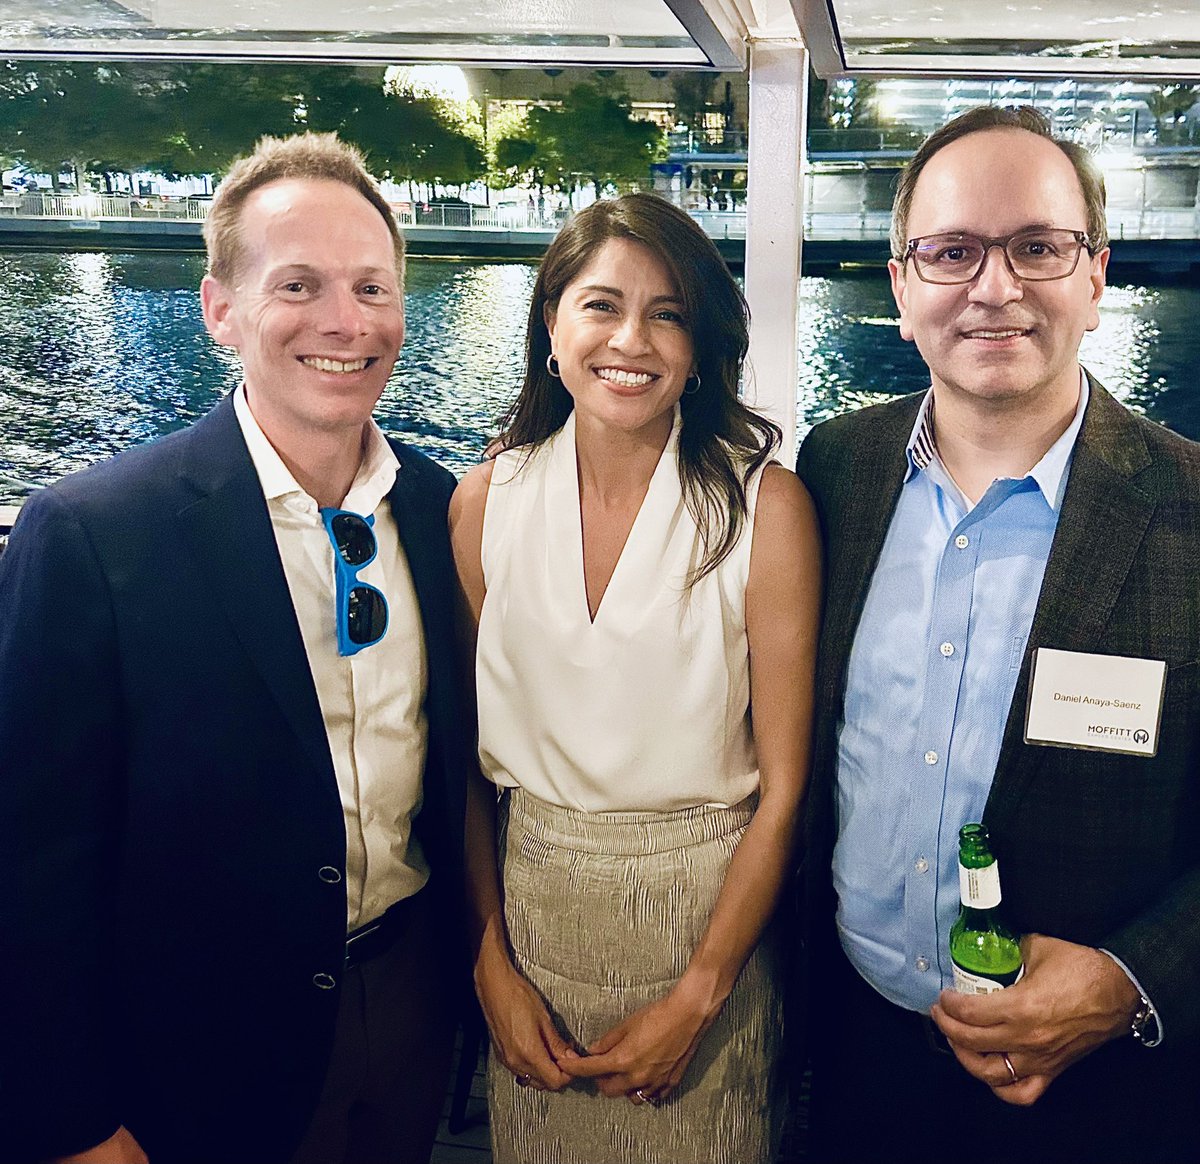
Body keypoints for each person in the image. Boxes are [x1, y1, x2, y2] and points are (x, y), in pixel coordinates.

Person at [0, 133, 465, 1164]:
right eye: (297, 285)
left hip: (411, 1007)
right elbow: (28, 863)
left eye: (372, 288)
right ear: (221, 309)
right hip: (192, 1049)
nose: (345, 323)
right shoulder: (89, 535)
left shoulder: (448, 512)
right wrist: (67, 1118)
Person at [795, 105, 1200, 1163]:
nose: (994, 287)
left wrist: (1131, 980)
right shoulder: (833, 472)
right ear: (901, 285)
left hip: (1096, 1093)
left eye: (1037, 247)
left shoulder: (1194, 511)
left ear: (1096, 275)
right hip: (849, 1047)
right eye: (951, 252)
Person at [450, 193, 820, 1163]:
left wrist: (701, 993)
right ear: (551, 327)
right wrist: (488, 957)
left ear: (701, 348)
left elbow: (783, 793)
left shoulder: (761, 508)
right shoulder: (484, 502)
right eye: (602, 305)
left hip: (709, 928)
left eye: (669, 313)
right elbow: (467, 775)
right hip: (534, 926)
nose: (633, 339)